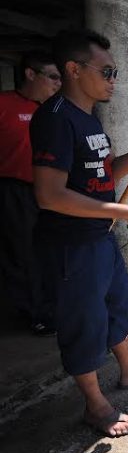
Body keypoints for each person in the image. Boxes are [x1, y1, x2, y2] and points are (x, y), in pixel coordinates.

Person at [30, 29, 128, 438]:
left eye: (115, 72)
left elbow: (104, 176)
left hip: (99, 237)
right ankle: (95, 405)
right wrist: (125, 211)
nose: (114, 80)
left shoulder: (89, 119)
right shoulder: (55, 118)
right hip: (71, 244)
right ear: (74, 70)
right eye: (107, 71)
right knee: (84, 321)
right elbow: (49, 195)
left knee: (117, 307)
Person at [0, 51, 61, 335]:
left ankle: (53, 305)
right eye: (52, 77)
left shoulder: (55, 110)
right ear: (30, 74)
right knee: (24, 253)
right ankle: (35, 313)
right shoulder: (4, 104)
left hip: (52, 190)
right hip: (14, 190)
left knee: (53, 249)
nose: (57, 84)